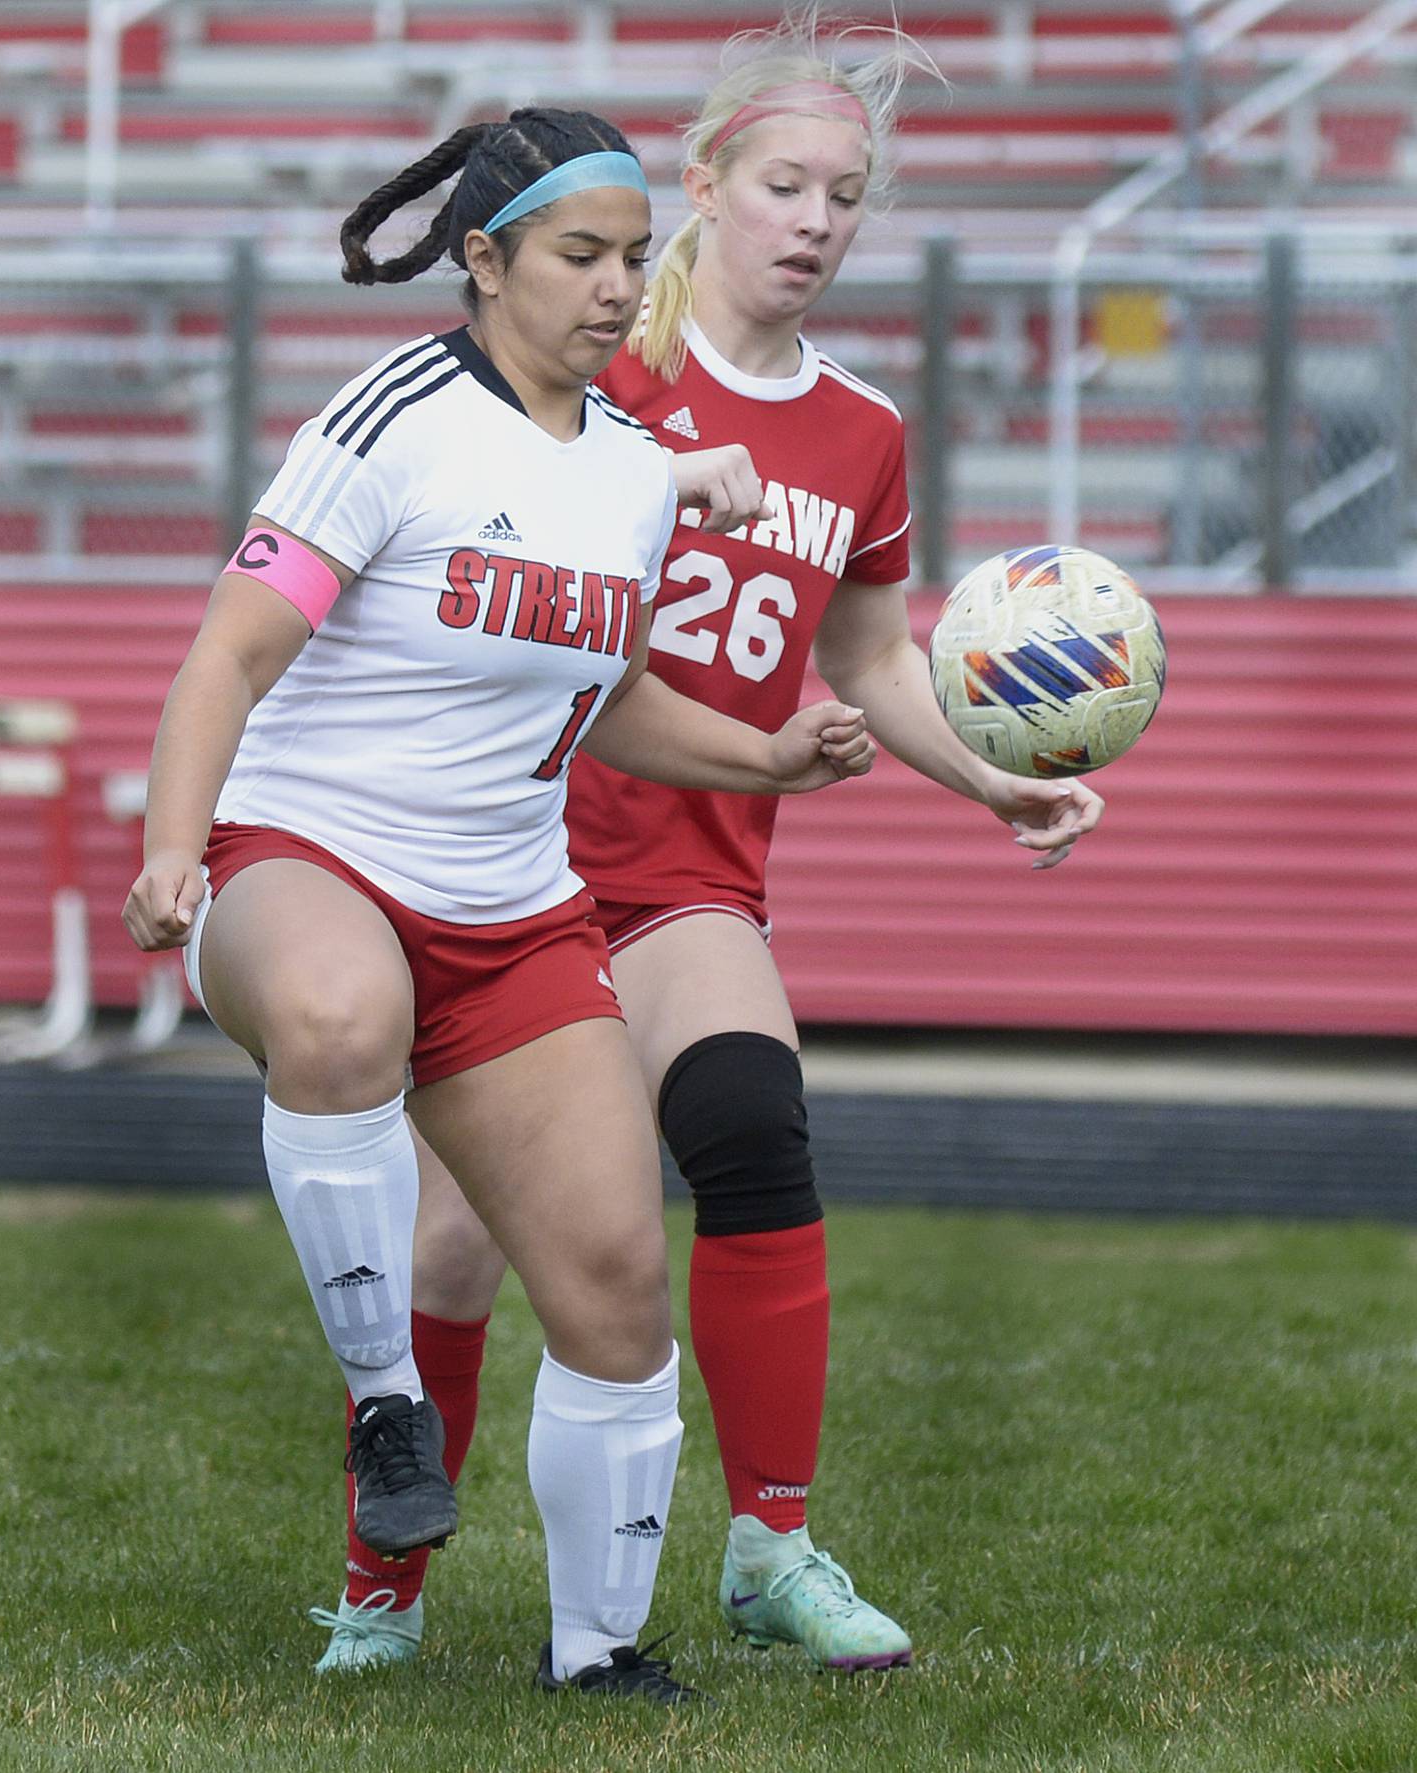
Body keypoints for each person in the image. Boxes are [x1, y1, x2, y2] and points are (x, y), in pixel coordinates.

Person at [311, 14, 1106, 1678]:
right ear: (705, 186)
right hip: (509, 855)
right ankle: (385, 1589)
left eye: (848, 197)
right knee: (453, 1241)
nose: (816, 222)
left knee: (752, 1122)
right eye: (787, 185)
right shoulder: (594, 371)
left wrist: (991, 777)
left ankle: (773, 1547)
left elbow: (873, 650)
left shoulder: (862, 431)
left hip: (687, 880)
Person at [121, 105, 876, 1705]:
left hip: (515, 915)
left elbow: (594, 704)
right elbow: (230, 654)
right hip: (304, 863)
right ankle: (391, 1399)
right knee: (339, 1016)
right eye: (580, 259)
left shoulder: (628, 472)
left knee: (611, 1281)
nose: (618, 290)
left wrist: (769, 755)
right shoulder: (394, 414)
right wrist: (173, 849)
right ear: (483, 261)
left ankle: (601, 1652)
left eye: (629, 260)